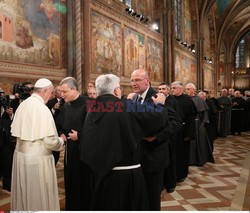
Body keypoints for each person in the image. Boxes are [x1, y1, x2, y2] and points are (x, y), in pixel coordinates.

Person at [80, 74, 166, 210]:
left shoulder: (92, 107)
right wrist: (160, 104)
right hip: (126, 176)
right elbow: (156, 120)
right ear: (116, 91)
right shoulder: (126, 105)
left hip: (101, 174)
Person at [10, 78, 64, 211]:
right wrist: (61, 140)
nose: (51, 96)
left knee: (24, 193)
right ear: (45, 91)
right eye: (51, 93)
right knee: (37, 195)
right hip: (37, 161)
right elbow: (50, 141)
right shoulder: (42, 109)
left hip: (20, 156)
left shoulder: (24, 104)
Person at [130, 69, 169, 210]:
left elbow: (174, 122)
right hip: (137, 156)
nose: (134, 83)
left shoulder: (158, 97)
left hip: (154, 155)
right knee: (139, 196)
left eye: (138, 80)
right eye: (132, 80)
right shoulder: (134, 98)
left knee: (152, 198)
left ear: (147, 81)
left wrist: (157, 137)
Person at [57, 77, 90, 210]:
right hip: (70, 152)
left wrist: (80, 136)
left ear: (74, 89)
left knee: (85, 183)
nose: (62, 95)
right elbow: (60, 124)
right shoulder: (65, 106)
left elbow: (100, 129)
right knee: (71, 181)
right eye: (61, 92)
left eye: (64, 92)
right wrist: (62, 133)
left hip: (86, 152)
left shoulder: (90, 103)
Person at [158, 82, 182, 193]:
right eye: (159, 89)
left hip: (171, 135)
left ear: (168, 90)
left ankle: (170, 184)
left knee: (171, 160)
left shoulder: (173, 101)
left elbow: (177, 119)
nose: (161, 91)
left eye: (163, 89)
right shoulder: (156, 100)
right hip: (160, 136)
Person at [170, 81, 196, 182]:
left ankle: (181, 174)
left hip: (183, 131)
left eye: (174, 88)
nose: (172, 89)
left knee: (182, 154)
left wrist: (189, 134)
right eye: (172, 88)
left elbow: (191, 119)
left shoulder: (187, 101)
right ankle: (172, 173)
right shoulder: (170, 100)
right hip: (172, 131)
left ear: (181, 89)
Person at [185, 83, 214, 166]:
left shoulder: (199, 99)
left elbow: (204, 114)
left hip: (197, 124)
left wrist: (201, 124)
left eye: (188, 89)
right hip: (187, 123)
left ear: (193, 90)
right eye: (186, 89)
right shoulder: (185, 99)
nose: (186, 91)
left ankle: (197, 160)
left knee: (196, 143)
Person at [0, 89, 14, 192]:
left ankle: (7, 184)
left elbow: (11, 121)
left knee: (8, 162)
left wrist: (10, 115)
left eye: (3, 95)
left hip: (6, 139)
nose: (2, 97)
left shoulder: (6, 104)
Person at [47, 85, 65, 165]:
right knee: (55, 150)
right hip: (54, 127)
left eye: (62, 91)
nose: (60, 92)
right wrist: (53, 109)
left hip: (63, 127)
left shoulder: (66, 101)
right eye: (58, 91)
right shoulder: (50, 102)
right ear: (55, 92)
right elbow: (47, 115)